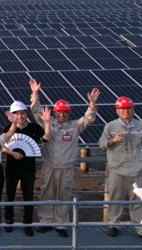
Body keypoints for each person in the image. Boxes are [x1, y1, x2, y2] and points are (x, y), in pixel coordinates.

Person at [30, 79, 100, 237]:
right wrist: (35, 93)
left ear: (69, 113)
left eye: (65, 112)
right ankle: (46, 220)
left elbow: (89, 119)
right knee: (47, 192)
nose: (61, 114)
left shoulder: (75, 126)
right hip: (49, 165)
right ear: (55, 112)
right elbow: (36, 110)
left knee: (64, 194)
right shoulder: (49, 122)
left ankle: (61, 223)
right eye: (59, 112)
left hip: (67, 167)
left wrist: (92, 104)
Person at [98, 96, 142, 237]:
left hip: (138, 169)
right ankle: (114, 224)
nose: (126, 111)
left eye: (128, 108)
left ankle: (140, 228)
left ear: (133, 109)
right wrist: (112, 141)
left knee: (138, 199)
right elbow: (102, 144)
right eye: (123, 109)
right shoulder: (110, 126)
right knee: (116, 198)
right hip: (117, 169)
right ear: (118, 110)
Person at [2, 100, 44, 236]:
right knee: (10, 196)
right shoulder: (7, 128)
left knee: (29, 197)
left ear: (26, 114)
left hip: (28, 170)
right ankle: (9, 221)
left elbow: (47, 138)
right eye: (16, 114)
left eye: (22, 113)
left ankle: (28, 223)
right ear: (13, 115)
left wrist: (47, 122)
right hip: (12, 169)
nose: (20, 116)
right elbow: (0, 146)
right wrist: (12, 153)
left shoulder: (35, 128)